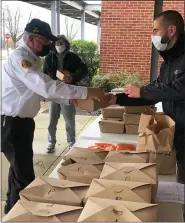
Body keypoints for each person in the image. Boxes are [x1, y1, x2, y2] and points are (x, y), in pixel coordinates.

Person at [1, 18, 108, 214]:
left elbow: (40, 92)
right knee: (24, 176)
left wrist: (70, 100)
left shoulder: (33, 58)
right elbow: (45, 86)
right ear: (32, 39)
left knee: (18, 173)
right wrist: (84, 92)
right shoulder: (20, 58)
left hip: (22, 124)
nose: (49, 46)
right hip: (12, 124)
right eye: (45, 42)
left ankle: (11, 210)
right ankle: (20, 215)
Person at [110, 10, 185, 183]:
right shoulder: (169, 62)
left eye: (155, 30)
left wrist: (142, 91)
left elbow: (180, 89)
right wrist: (117, 99)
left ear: (171, 30)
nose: (152, 35)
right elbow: (157, 91)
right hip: (177, 134)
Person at [43, 35, 88, 152]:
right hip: (54, 92)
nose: (59, 45)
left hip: (68, 91)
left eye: (61, 43)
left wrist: (73, 77)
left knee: (69, 119)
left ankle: (71, 142)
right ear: (53, 45)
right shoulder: (49, 57)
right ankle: (50, 142)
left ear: (66, 44)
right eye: (57, 43)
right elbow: (44, 74)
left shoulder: (72, 57)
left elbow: (84, 69)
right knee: (52, 119)